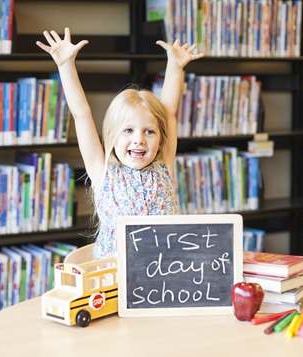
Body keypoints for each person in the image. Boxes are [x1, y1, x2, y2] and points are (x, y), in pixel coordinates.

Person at [36, 28, 204, 259]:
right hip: (113, 279)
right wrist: (66, 66)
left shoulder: (163, 165)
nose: (139, 139)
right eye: (128, 130)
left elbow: (169, 112)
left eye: (149, 131)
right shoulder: (103, 170)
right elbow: (81, 114)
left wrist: (175, 67)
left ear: (161, 137)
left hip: (165, 273)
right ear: (112, 135)